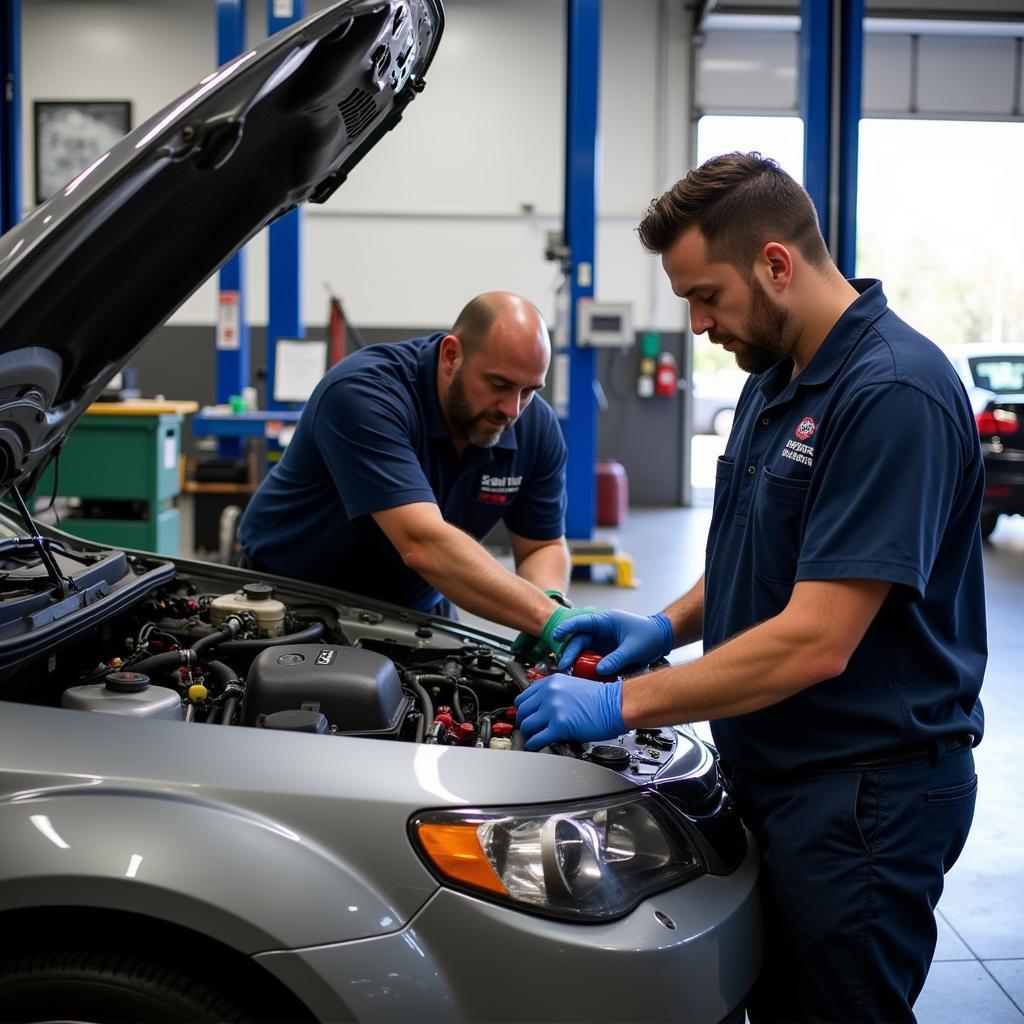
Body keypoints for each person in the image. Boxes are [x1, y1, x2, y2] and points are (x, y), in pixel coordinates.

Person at [515, 153, 986, 1023]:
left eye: (706, 297)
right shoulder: (778, 378)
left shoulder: (891, 393)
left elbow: (817, 636)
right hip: (780, 774)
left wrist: (623, 703)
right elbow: (761, 550)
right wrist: (664, 623)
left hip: (863, 798)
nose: (696, 325)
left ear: (776, 264)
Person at [238, 291, 594, 655]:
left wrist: (549, 598)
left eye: (530, 391)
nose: (512, 409)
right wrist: (546, 617)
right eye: (499, 384)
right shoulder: (363, 393)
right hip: (290, 603)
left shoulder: (534, 427)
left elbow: (543, 546)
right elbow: (422, 544)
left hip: (416, 610)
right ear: (451, 356)